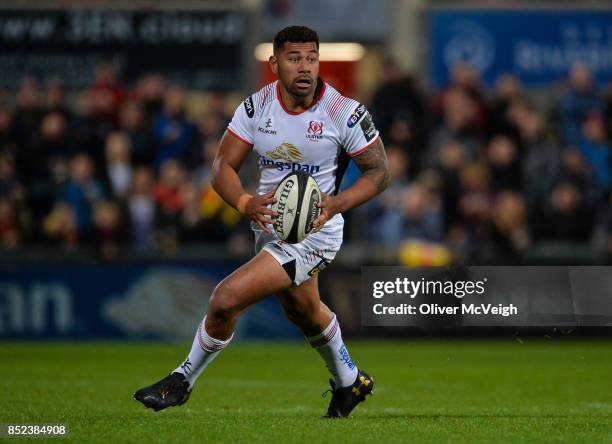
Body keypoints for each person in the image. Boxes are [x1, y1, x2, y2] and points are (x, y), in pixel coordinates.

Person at [134, 26, 389, 418]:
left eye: (311, 58)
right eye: (294, 58)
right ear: (274, 63)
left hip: (314, 234)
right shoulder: (256, 107)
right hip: (268, 226)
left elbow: (379, 172)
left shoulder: (344, 112)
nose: (305, 67)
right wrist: (243, 201)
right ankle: (349, 381)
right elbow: (222, 166)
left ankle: (182, 379)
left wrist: (336, 203)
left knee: (225, 299)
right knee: (304, 312)